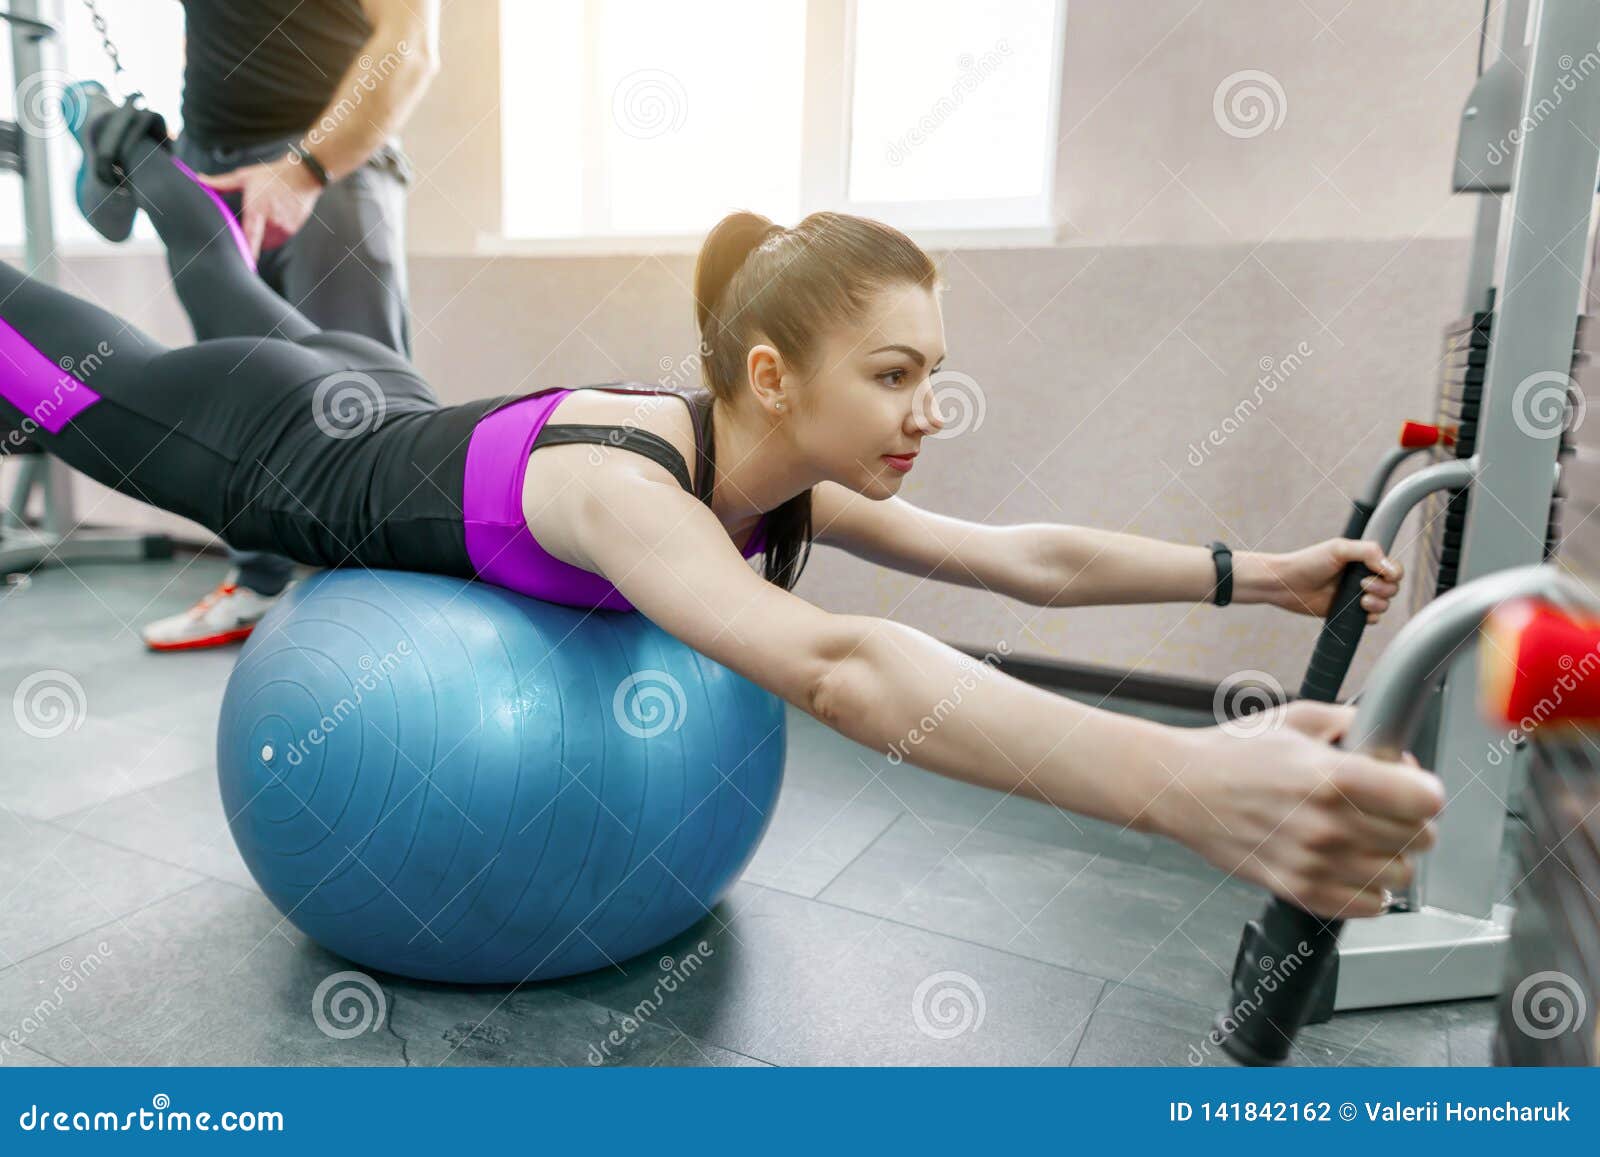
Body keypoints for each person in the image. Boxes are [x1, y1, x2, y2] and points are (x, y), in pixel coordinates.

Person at [0, 100, 1441, 922]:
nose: (926, 412)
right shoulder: (633, 494)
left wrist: (1265, 574)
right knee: (90, 354)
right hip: (277, 453)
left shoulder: (765, 465)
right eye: (893, 376)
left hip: (379, 389)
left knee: (234, 291)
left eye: (934, 374)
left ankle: (126, 146)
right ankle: (132, 157)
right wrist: (1184, 787)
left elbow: (1021, 561)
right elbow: (837, 664)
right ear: (772, 373)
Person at [74, 0, 439, 650]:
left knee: (360, 409)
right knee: (235, 399)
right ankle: (259, 582)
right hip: (208, 162)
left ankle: (390, 612)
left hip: (327, 165)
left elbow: (410, 46)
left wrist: (306, 168)